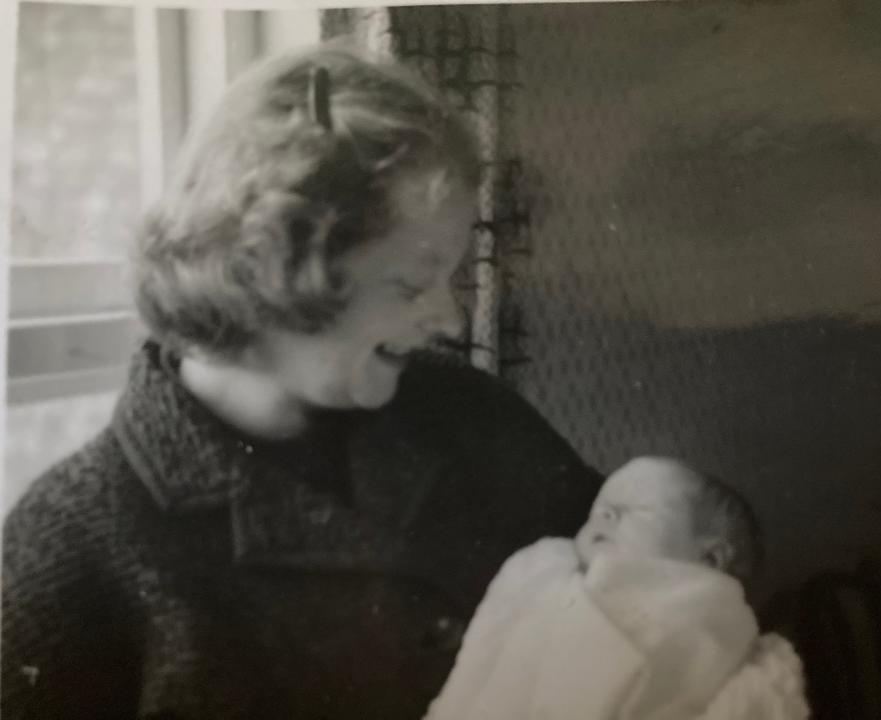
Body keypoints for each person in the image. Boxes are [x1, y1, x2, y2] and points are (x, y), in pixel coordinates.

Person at [1, 44, 603, 720]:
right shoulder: (65, 556)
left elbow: (667, 579)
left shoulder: (471, 412)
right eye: (410, 283)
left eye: (451, 276)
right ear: (274, 270)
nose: (450, 316)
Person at [425, 457, 810, 720]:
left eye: (635, 510)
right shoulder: (560, 580)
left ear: (709, 560)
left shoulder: (709, 617)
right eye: (598, 510)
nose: (603, 515)